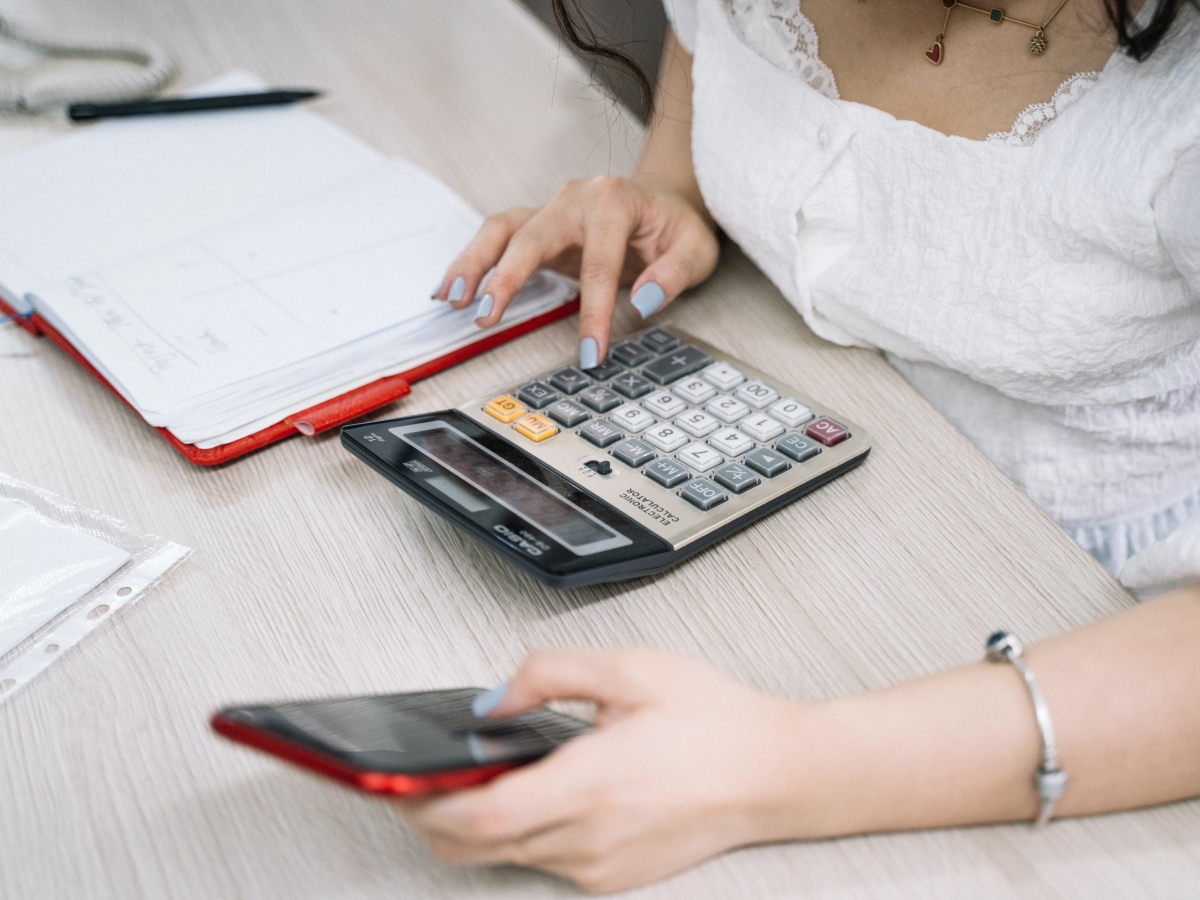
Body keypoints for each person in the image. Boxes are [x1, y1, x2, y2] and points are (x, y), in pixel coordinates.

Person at [418, 0, 1200, 891]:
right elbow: (712, 72)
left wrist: (770, 770)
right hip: (856, 508)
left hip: (1104, 628)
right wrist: (669, 197)